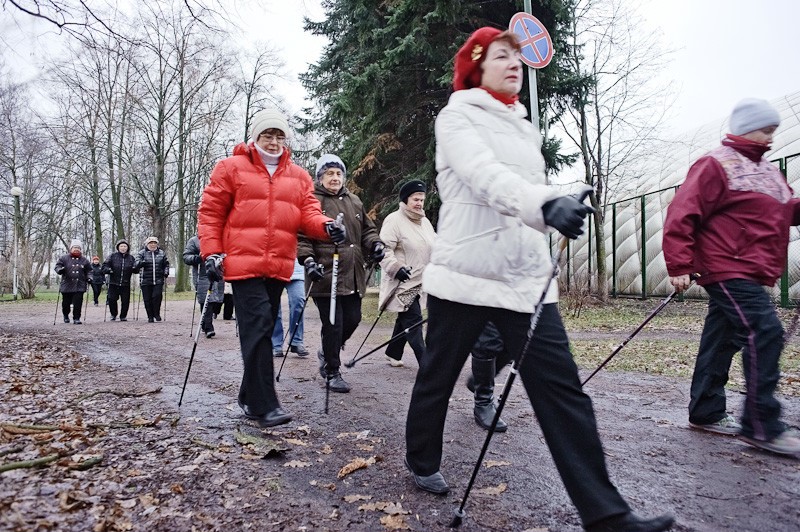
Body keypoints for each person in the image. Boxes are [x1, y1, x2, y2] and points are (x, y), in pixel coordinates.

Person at [403, 28, 674, 532]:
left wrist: (567, 194)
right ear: (476, 67)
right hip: (465, 276)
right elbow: (485, 176)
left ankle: (608, 514)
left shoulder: (524, 128)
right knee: (437, 376)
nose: (515, 65)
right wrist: (545, 203)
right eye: (502, 57)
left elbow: (530, 187)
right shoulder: (456, 116)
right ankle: (421, 460)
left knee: (563, 392)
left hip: (527, 280)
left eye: (518, 58)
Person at [663, 98, 800, 456]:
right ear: (744, 127)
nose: (771, 137)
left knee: (722, 338)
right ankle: (760, 424)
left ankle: (705, 411)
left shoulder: (768, 171)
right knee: (764, 330)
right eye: (765, 129)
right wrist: (679, 264)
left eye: (774, 130)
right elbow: (682, 212)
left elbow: (785, 210)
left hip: (751, 270)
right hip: (725, 265)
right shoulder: (715, 164)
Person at [198, 107, 345, 428]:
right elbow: (210, 214)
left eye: (280, 136)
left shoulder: (299, 176)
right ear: (255, 137)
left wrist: (327, 226)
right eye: (268, 135)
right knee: (260, 326)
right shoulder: (230, 168)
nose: (275, 141)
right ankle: (265, 405)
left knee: (260, 327)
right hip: (242, 262)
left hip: (278, 263)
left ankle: (248, 395)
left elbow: (309, 212)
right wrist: (212, 253)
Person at [297, 154, 385, 394]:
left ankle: (327, 350)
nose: (335, 178)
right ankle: (332, 371)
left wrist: (376, 244)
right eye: (329, 173)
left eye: (338, 173)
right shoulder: (312, 200)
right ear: (320, 177)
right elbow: (302, 236)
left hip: (353, 273)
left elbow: (368, 230)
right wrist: (308, 261)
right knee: (333, 323)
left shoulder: (354, 200)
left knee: (354, 318)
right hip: (325, 273)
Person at [378, 179, 435, 367]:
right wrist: (395, 268)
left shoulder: (425, 222)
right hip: (403, 283)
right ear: (405, 199)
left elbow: (435, 247)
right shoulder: (394, 220)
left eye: (421, 199)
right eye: (415, 199)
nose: (419, 203)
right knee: (415, 321)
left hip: (422, 282)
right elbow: (383, 249)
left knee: (406, 318)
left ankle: (393, 352)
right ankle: (427, 365)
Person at [183, 235, 224, 338]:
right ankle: (209, 328)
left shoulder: (218, 238)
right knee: (206, 300)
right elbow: (186, 257)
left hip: (219, 274)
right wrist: (197, 258)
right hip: (202, 275)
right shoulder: (194, 240)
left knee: (217, 301)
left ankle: (204, 324)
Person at [272, 259, 310, 357]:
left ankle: (296, 341)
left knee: (299, 301)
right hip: (273, 269)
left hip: (296, 270)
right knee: (274, 305)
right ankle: (275, 344)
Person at [54, 239, 92, 324]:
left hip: (80, 285)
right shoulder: (64, 258)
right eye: (74, 247)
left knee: (78, 303)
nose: (76, 249)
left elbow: (89, 270)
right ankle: (66, 315)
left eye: (78, 248)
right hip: (67, 284)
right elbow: (57, 266)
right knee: (66, 303)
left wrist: (89, 277)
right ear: (71, 248)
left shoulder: (84, 260)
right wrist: (60, 270)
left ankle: (76, 318)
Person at [134, 236, 170, 323]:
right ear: (147, 244)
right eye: (151, 243)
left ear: (157, 244)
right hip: (146, 280)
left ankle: (156, 313)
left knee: (157, 297)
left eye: (154, 243)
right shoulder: (142, 253)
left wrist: (166, 272)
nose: (153, 245)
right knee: (147, 299)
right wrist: (141, 263)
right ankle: (150, 316)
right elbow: (136, 263)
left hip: (158, 279)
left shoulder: (161, 253)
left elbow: (166, 264)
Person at [102, 239, 136, 321]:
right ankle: (113, 314)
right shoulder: (112, 256)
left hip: (125, 283)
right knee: (111, 299)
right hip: (113, 282)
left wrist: (136, 268)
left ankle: (123, 316)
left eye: (125, 246)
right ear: (118, 247)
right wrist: (109, 270)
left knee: (125, 301)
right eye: (121, 246)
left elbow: (135, 268)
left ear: (127, 248)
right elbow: (104, 266)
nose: (123, 248)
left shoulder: (131, 258)